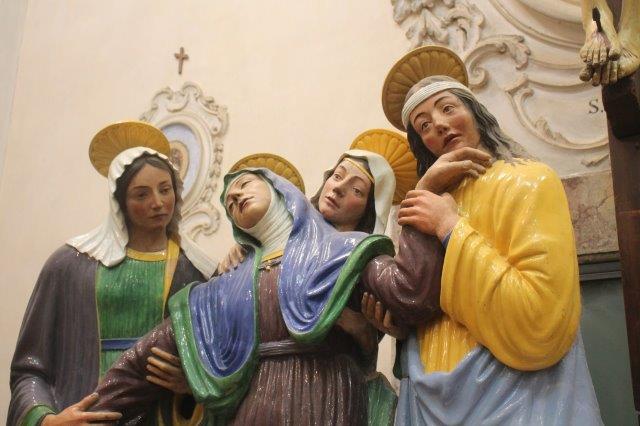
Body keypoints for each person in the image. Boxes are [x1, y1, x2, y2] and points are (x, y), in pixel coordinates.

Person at [379, 45, 602, 424]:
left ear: (476, 113)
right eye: (424, 126)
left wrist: (450, 227)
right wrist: (401, 325)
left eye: (448, 108)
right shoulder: (426, 205)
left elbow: (541, 318)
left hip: (519, 398)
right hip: (429, 395)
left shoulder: (529, 180)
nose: (440, 125)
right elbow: (422, 300)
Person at [88, 166, 403, 424]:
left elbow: (404, 292)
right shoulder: (226, 285)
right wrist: (85, 416)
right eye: (228, 201)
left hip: (325, 400)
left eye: (245, 184)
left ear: (281, 191)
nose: (235, 195)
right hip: (253, 408)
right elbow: (146, 357)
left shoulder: (346, 252)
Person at [9, 122, 214, 426]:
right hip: (82, 410)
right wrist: (47, 420)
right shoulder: (71, 265)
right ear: (120, 203)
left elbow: (222, 365)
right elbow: (30, 368)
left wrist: (193, 383)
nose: (158, 203)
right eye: (141, 194)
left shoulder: (198, 270)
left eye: (165, 189)